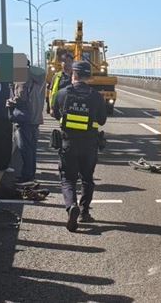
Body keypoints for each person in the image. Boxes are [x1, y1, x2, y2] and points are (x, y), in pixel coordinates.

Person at [53, 61, 107, 232]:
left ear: (73, 75)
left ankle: (71, 206)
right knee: (87, 178)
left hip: (68, 143)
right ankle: (84, 212)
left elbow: (55, 113)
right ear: (88, 76)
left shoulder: (62, 94)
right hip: (89, 145)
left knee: (68, 179)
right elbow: (102, 120)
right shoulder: (96, 96)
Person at [9, 62, 47, 186]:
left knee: (24, 148)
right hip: (35, 117)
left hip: (24, 118)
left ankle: (26, 176)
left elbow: (21, 97)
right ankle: (31, 174)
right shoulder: (38, 79)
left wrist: (10, 102)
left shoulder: (21, 78)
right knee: (32, 148)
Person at [49, 51, 74, 117]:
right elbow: (52, 93)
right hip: (60, 108)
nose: (67, 63)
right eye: (65, 61)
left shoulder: (76, 76)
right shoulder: (57, 76)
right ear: (61, 63)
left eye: (69, 61)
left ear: (72, 63)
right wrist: (52, 108)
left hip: (73, 107)